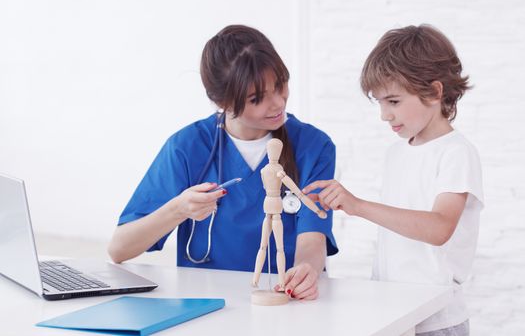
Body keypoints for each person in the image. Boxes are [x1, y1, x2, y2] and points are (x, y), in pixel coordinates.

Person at [108, 24, 338, 301]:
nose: (278, 103)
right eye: (257, 98)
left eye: (280, 85)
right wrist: (179, 209)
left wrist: (306, 271)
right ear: (223, 102)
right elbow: (119, 249)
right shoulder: (187, 147)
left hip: (284, 302)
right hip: (207, 305)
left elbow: (313, 237)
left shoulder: (313, 146)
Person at [303, 24, 483, 334]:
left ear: (435, 92)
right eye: (380, 103)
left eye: (394, 102)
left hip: (437, 321)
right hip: (395, 313)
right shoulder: (396, 154)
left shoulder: (456, 153)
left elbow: (439, 227)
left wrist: (357, 205)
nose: (384, 115)